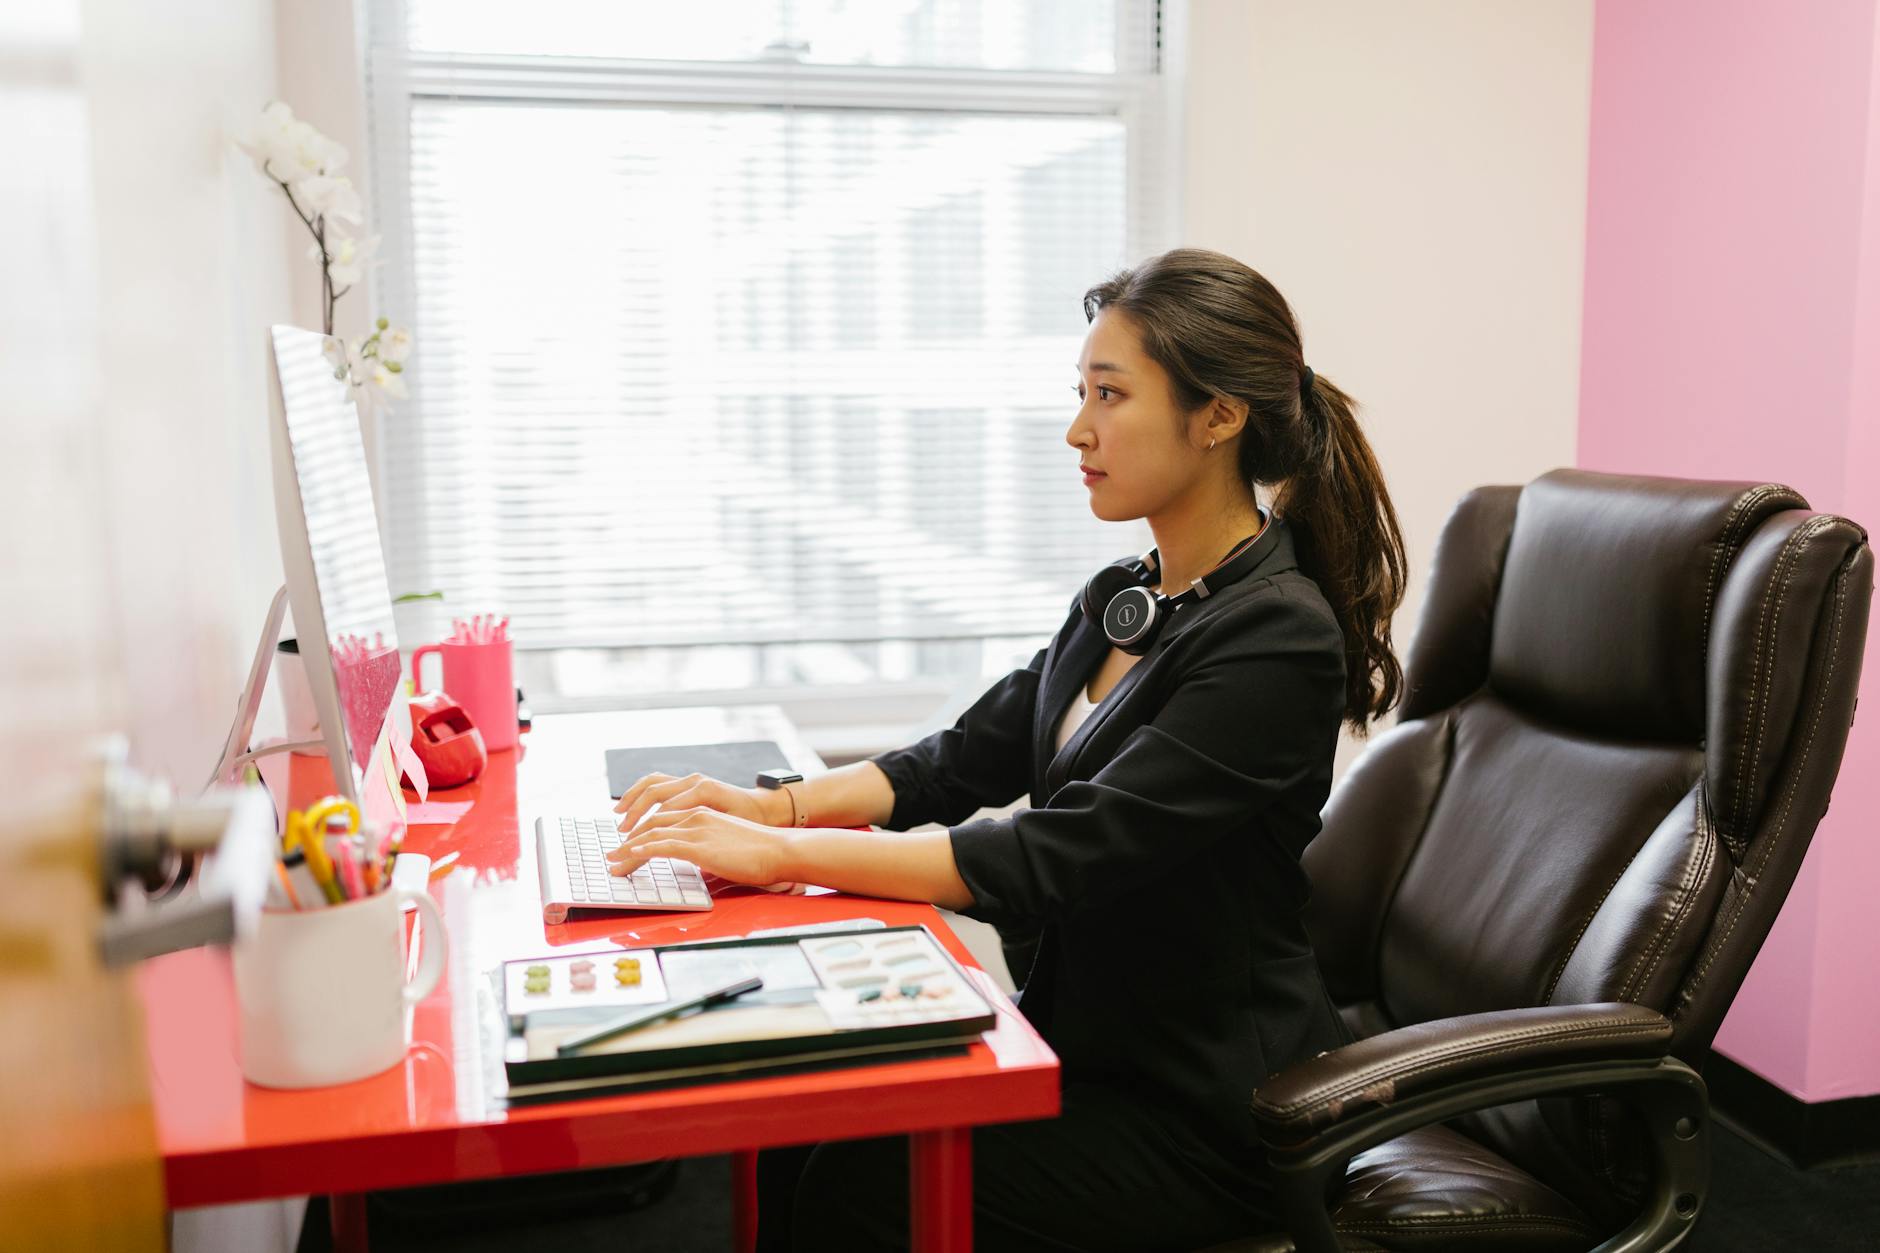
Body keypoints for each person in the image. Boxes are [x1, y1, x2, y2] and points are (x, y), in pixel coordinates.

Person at [607, 247, 1408, 1250]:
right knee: (801, 1121)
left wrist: (776, 858)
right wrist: (771, 807)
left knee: (856, 1183)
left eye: (1109, 395)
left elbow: (1051, 853)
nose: (1078, 428)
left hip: (1206, 1114)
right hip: (1084, 1046)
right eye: (1080, 391)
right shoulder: (1127, 594)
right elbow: (954, 762)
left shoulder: (1276, 639)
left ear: (1217, 416)